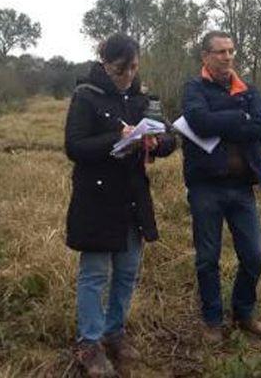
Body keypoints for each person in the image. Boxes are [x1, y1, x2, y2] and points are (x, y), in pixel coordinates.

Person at [64, 34, 177, 377]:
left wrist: (156, 142)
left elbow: (170, 138)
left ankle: (115, 332)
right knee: (96, 272)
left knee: (127, 271)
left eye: (133, 67)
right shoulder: (86, 96)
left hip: (133, 196)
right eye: (120, 69)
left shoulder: (143, 98)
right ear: (104, 62)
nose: (128, 75)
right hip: (97, 198)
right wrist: (119, 137)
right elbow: (75, 146)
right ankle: (90, 343)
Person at [180, 31, 261, 344]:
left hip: (242, 189)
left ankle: (244, 312)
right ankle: (212, 320)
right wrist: (239, 117)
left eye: (231, 51)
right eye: (220, 52)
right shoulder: (194, 88)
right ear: (205, 56)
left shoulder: (248, 89)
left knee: (255, 256)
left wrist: (227, 120)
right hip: (206, 187)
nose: (228, 56)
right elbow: (199, 121)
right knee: (208, 258)